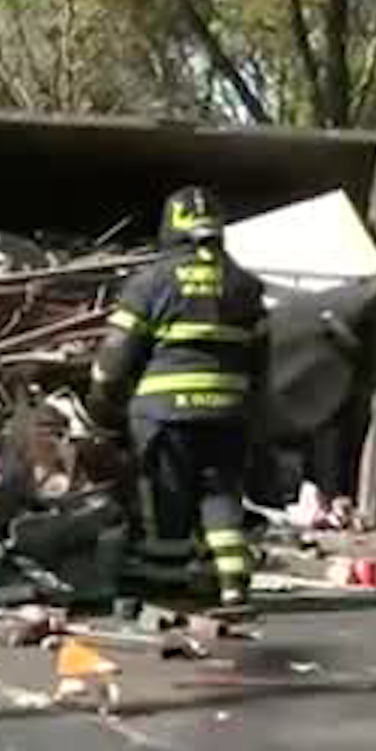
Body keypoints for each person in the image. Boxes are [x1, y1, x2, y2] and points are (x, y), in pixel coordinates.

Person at [89, 186, 269, 606]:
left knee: (165, 500)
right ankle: (233, 582)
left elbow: (116, 354)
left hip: (166, 416)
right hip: (230, 413)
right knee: (221, 493)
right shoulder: (246, 285)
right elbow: (263, 355)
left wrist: (102, 397)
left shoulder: (151, 281)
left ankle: (165, 584)